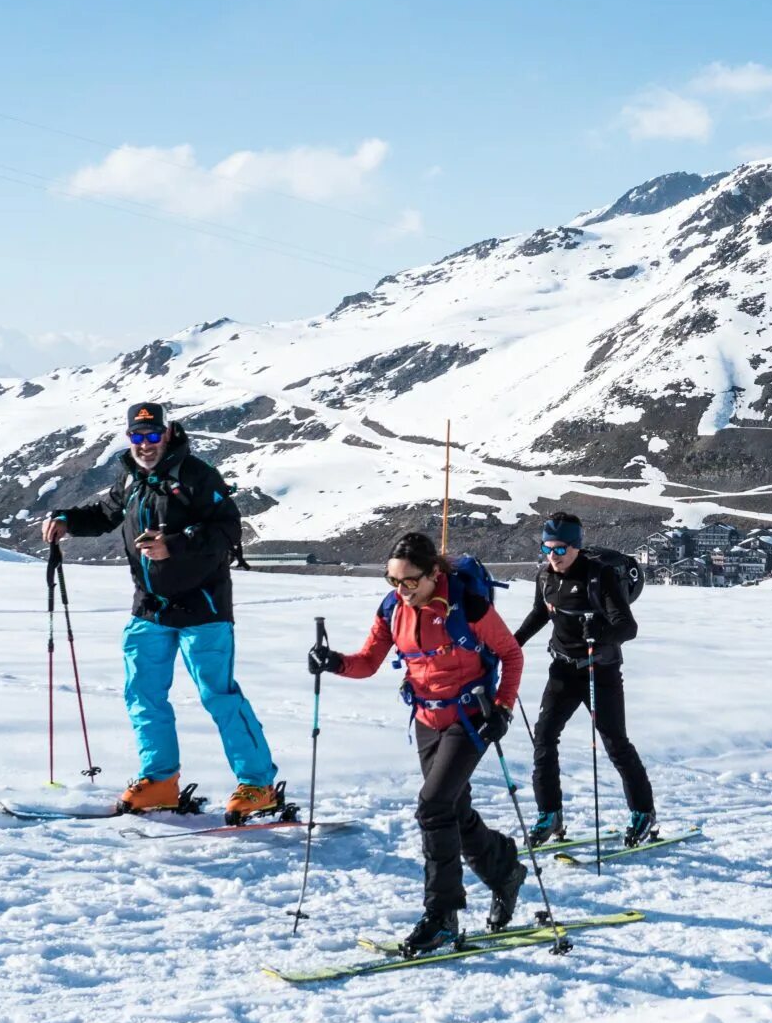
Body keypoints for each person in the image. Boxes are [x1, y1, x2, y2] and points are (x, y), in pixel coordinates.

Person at [43, 401, 278, 818]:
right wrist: (65, 519)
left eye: (152, 436)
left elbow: (228, 530)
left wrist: (175, 544)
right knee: (143, 694)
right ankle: (159, 780)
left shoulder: (197, 476)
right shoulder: (131, 476)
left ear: (167, 434)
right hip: (150, 608)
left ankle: (258, 785)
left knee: (218, 696)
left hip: (203, 609)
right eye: (137, 436)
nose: (145, 444)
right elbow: (105, 514)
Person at [310, 532, 528, 955]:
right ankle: (504, 869)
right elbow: (368, 662)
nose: (401, 589)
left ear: (434, 574)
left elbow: (512, 655)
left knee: (432, 807)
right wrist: (333, 662)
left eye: (410, 581)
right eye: (393, 580)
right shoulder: (393, 609)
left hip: (471, 718)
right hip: (427, 719)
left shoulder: (468, 605)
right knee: (452, 810)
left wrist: (502, 707)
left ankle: (442, 916)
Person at [512, 512, 657, 848]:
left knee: (615, 743)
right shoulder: (545, 577)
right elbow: (540, 613)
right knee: (544, 738)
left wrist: (602, 632)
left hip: (599, 671)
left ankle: (643, 812)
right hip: (562, 670)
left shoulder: (599, 576)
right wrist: (511, 643)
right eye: (547, 548)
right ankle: (550, 814)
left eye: (560, 549)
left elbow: (627, 627)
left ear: (576, 547)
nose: (553, 556)